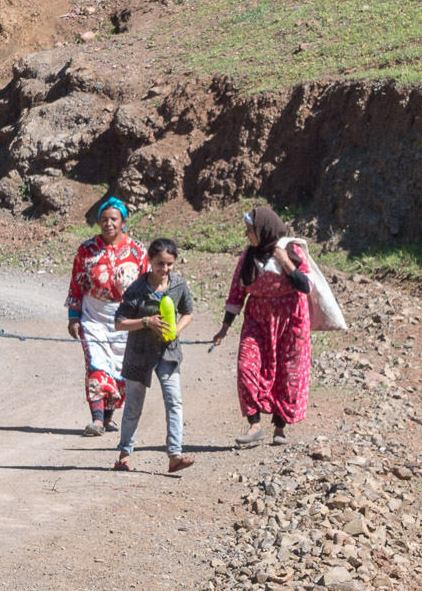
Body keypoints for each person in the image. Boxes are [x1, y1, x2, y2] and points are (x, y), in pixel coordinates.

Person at [211, 206, 314, 446]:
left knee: (288, 373)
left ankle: (279, 428)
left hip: (291, 321)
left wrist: (285, 262)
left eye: (250, 230)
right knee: (247, 366)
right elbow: (236, 293)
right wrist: (225, 327)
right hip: (257, 320)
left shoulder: (291, 250)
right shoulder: (248, 257)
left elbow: (306, 285)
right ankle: (254, 424)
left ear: (263, 229)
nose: (247, 235)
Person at [111, 237, 197, 474]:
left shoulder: (178, 285)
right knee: (133, 407)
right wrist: (146, 321)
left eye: (169, 264)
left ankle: (175, 455)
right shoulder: (137, 289)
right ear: (150, 261)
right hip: (139, 354)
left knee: (174, 402)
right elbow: (119, 323)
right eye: (160, 264)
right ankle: (124, 456)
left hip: (168, 353)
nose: (165, 269)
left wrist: (175, 331)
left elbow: (187, 313)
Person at [65, 196, 147, 436]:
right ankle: (97, 419)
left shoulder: (138, 251)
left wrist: (147, 318)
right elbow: (76, 285)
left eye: (114, 219)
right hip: (94, 315)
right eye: (103, 219)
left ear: (123, 222)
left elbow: (148, 285)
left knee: (121, 369)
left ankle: (109, 417)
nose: (108, 223)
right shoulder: (86, 250)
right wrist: (73, 317)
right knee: (96, 364)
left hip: (126, 317)